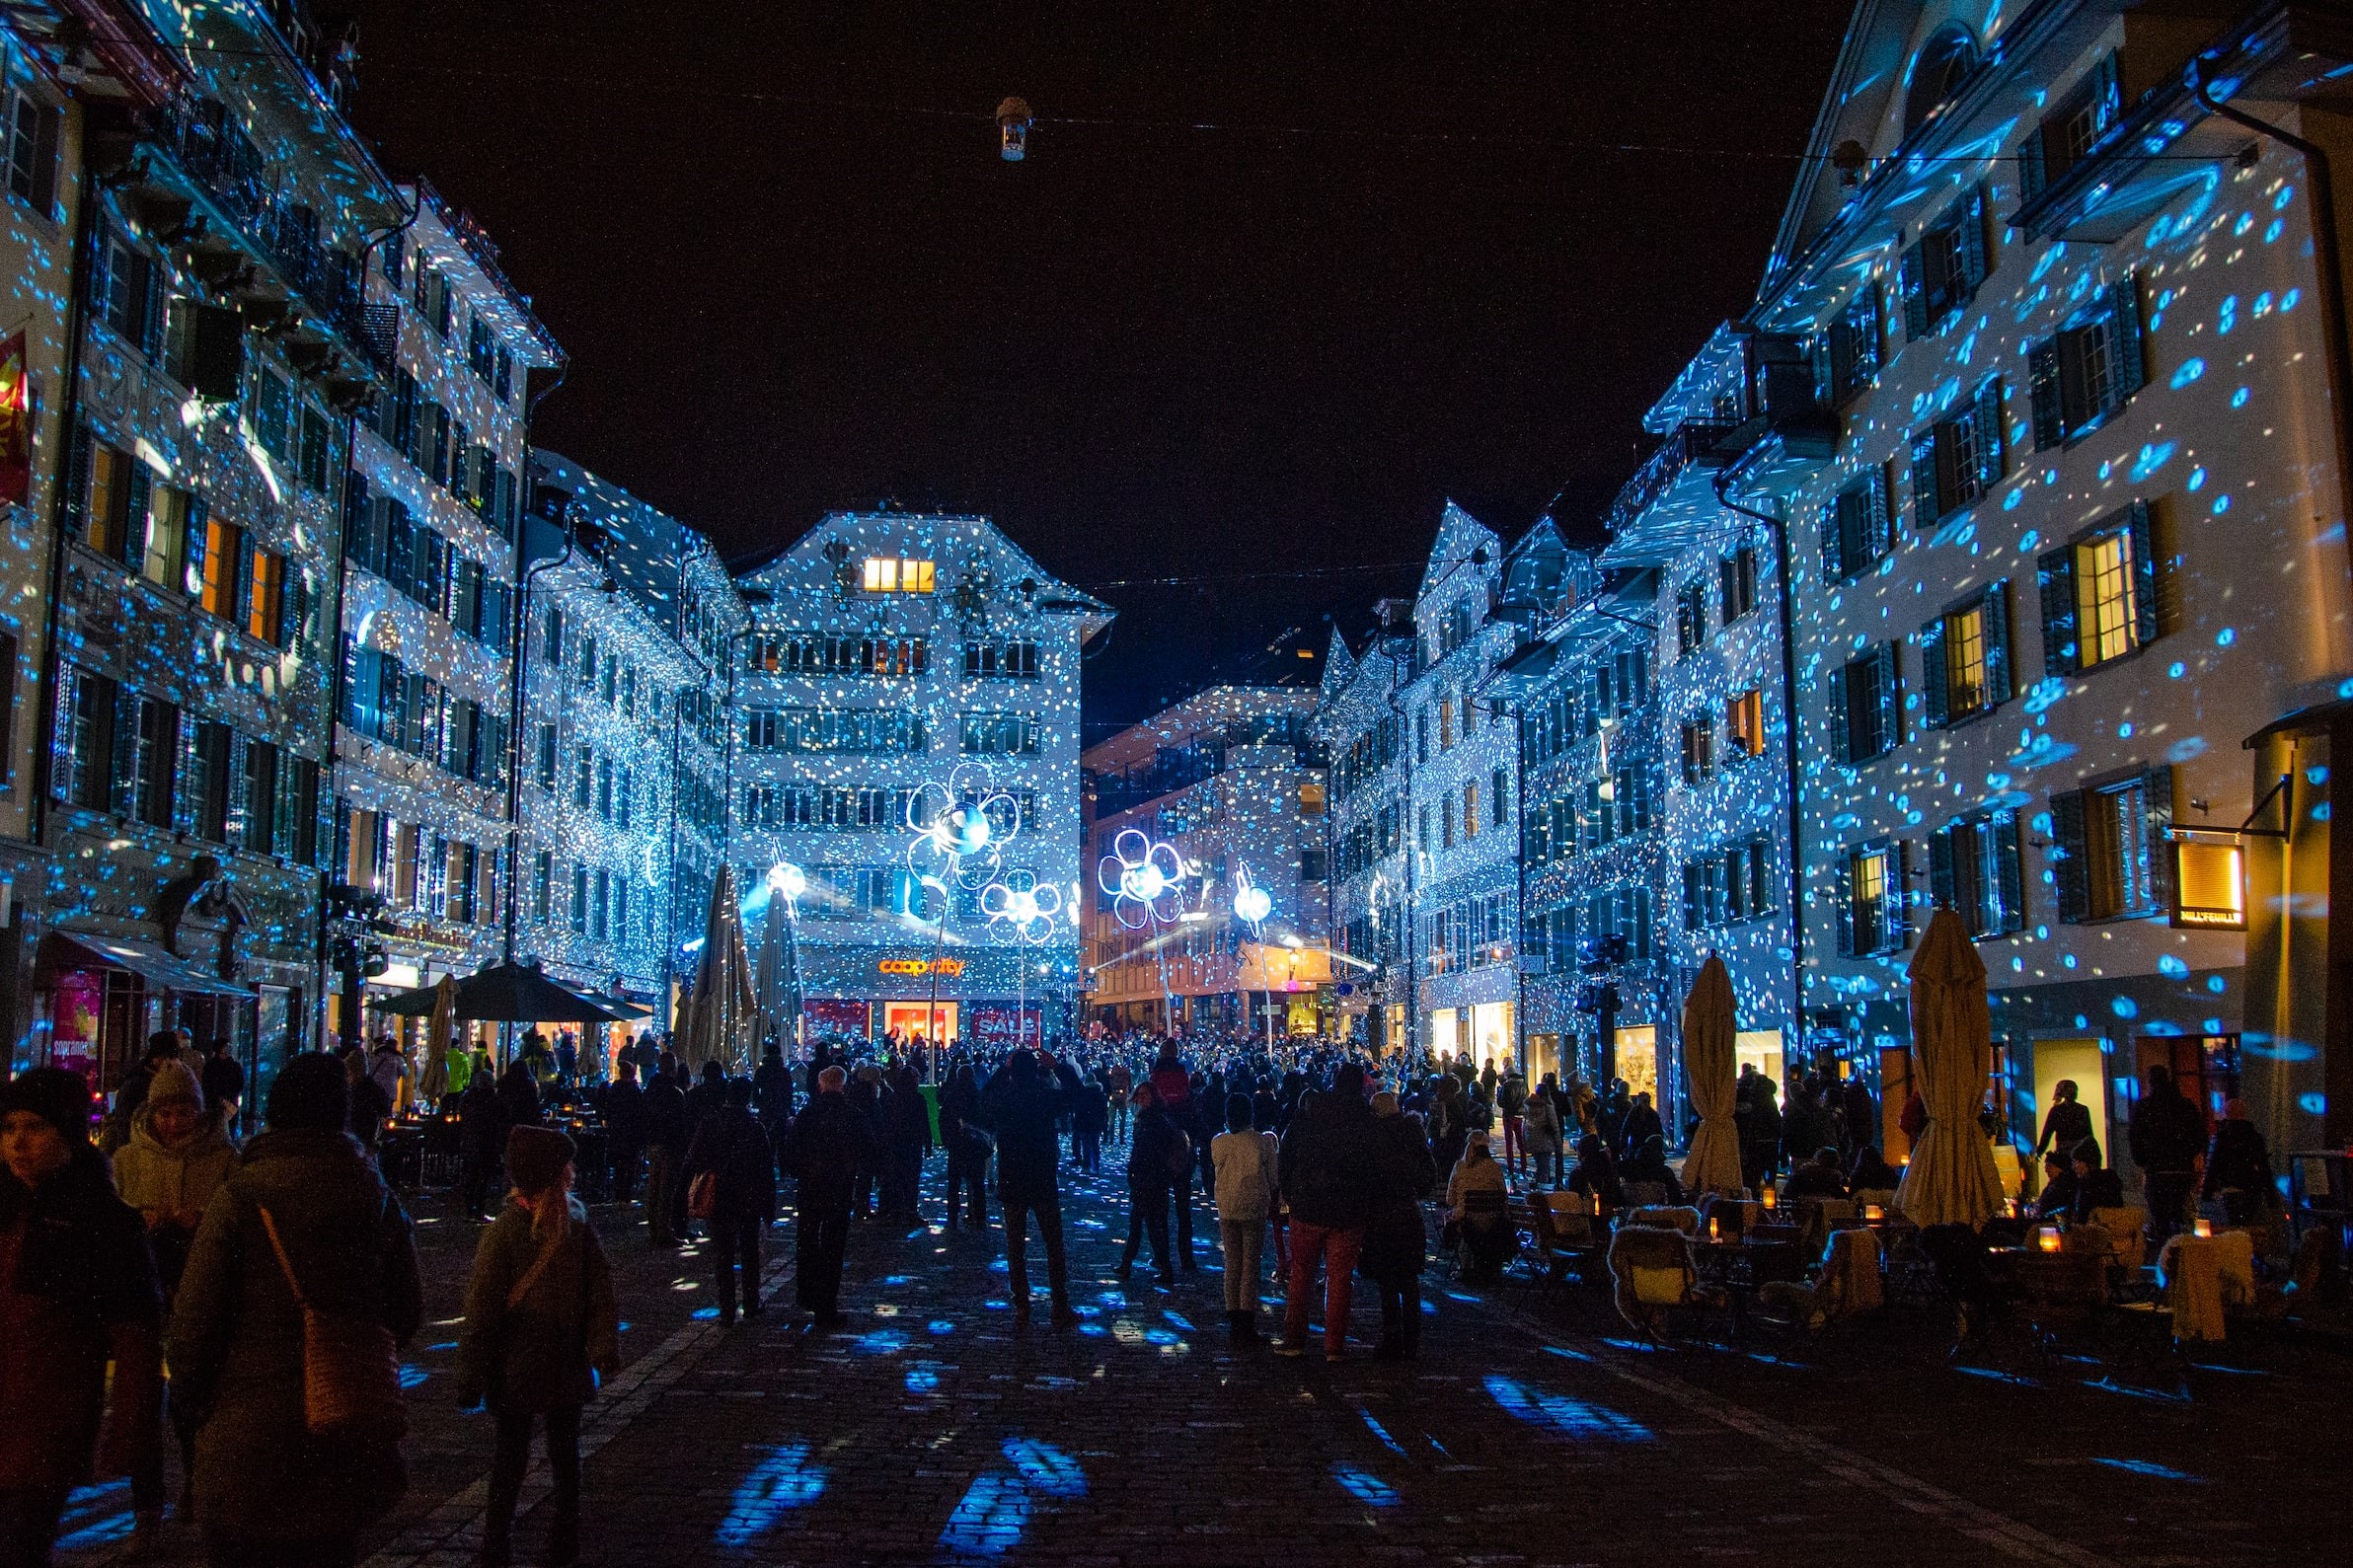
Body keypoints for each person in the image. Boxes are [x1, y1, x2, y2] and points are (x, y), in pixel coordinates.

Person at [168, 1053, 422, 1568]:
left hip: (245, 1436)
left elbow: (192, 1327)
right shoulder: (374, 1196)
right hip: (342, 1427)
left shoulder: (241, 1197)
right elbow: (406, 1310)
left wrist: (191, 1407)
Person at [0, 1069, 162, 1566]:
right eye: (8, 1129)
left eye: (34, 1128)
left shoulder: (102, 1221)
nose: (18, 1144)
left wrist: (130, 1431)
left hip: (43, 1427)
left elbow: (135, 1335)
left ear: (67, 1131)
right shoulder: (6, 1206)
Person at [457, 1125, 619, 1568]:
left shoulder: (546, 1227)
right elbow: (599, 1295)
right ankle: (548, 1541)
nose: (573, 1171)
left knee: (519, 1457)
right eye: (567, 1165)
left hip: (521, 1361)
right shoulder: (552, 1226)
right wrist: (602, 1347)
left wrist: (471, 1376)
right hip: (551, 1358)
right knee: (557, 1455)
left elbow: (482, 1311)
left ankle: (504, 1543)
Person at [112, 1058, 236, 1544]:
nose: (172, 1122)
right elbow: (112, 1223)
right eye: (164, 1113)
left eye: (183, 1112)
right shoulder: (126, 1159)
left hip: (197, 1289)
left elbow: (234, 1222)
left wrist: (201, 1217)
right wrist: (139, 1219)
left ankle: (194, 1482)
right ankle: (147, 1506)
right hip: (141, 1289)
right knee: (143, 1401)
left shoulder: (224, 1158)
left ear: (198, 1112)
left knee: (190, 1396)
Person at [1275, 1063, 1376, 1362]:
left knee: (1302, 1274)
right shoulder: (1363, 1119)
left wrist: (1291, 1192)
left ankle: (1294, 1339)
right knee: (1340, 1278)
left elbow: (1287, 1151)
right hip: (1347, 1209)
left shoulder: (1311, 1112)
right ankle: (1333, 1345)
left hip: (1308, 1204)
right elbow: (1371, 1165)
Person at [979, 1050, 1084, 1328]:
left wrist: (1003, 1069)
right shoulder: (1044, 1096)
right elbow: (1078, 1096)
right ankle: (1059, 1304)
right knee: (1053, 1245)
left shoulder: (1006, 1098)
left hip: (1013, 1178)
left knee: (1015, 1247)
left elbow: (983, 1100)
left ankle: (1022, 1305)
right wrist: (1059, 1067)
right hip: (1042, 1177)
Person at [779, 1067, 875, 1328]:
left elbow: (789, 1152)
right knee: (833, 1247)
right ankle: (826, 1304)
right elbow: (868, 1150)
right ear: (843, 1086)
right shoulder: (852, 1115)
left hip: (811, 1188)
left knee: (808, 1240)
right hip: (839, 1189)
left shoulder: (808, 1114)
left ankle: (808, 1293)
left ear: (821, 1086)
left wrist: (804, 1171)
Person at [684, 1082, 777, 1322]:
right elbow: (766, 1169)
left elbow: (693, 1157)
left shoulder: (710, 1124)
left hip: (719, 1195)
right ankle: (751, 1302)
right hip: (748, 1196)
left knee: (723, 1255)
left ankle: (726, 1308)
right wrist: (768, 1206)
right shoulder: (754, 1127)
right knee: (749, 1253)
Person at [1360, 1090, 1436, 1362]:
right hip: (1407, 1210)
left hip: (1382, 1213)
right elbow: (1428, 1174)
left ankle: (1392, 1337)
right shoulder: (1411, 1133)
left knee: (1388, 1281)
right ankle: (1411, 1340)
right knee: (1408, 1280)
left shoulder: (1372, 1136)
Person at [1210, 1092, 1279, 1343]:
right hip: (1254, 1207)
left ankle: (1232, 1311)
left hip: (1228, 1206)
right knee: (1250, 1263)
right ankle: (1246, 1316)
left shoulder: (1219, 1143)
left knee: (1232, 1261)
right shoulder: (1261, 1142)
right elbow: (1273, 1177)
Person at [2128, 1065, 2206, 1239]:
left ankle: (2165, 1252)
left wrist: (2143, 1160)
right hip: (2181, 1170)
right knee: (2179, 1215)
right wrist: (2187, 1154)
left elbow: (2135, 1137)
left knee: (2160, 1218)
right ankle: (2179, 1248)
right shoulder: (2185, 1105)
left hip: (2157, 1171)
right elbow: (2200, 1135)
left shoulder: (2144, 1108)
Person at [1119, 1083, 1182, 1287]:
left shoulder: (1154, 1121)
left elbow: (1146, 1151)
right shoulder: (1153, 1119)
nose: (1142, 1099)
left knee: (1149, 1225)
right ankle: (1128, 1264)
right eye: (1140, 1095)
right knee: (1138, 1224)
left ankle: (1163, 1268)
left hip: (1151, 1179)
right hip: (1148, 1179)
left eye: (1145, 1095)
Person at [100, 1032, 184, 1155]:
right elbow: (125, 1126)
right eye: (168, 1057)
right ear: (158, 1057)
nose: (171, 1062)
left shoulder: (171, 1080)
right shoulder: (136, 1084)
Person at [2204, 1097, 2276, 1224]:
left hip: (2228, 1189)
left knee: (2231, 1226)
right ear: (2244, 1113)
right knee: (2249, 1225)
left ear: (2226, 1113)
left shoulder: (2221, 1138)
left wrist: (2207, 1194)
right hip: (2252, 1190)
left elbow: (2213, 1166)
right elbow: (2264, 1167)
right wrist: (2271, 1197)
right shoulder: (2255, 1137)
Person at [641, 1060, 688, 1248]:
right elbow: (680, 1123)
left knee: (653, 1187)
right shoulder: (675, 1094)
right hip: (669, 1145)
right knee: (666, 1190)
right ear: (672, 1070)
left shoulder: (649, 1091)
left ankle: (654, 1228)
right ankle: (663, 1231)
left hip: (653, 1143)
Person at [938, 1062, 990, 1232]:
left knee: (954, 1184)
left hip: (957, 1146)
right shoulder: (978, 1095)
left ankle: (953, 1217)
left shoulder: (952, 1096)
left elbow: (943, 1120)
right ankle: (979, 1217)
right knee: (977, 1184)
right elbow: (986, 1119)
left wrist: (948, 1141)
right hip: (975, 1146)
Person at [880, 1062, 932, 1227]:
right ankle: (909, 1210)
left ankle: (896, 1210)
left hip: (896, 1142)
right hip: (912, 1143)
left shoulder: (893, 1097)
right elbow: (924, 1122)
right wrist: (927, 1142)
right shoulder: (917, 1099)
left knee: (896, 1176)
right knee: (911, 1178)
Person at [457, 1072, 509, 1222]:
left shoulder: (468, 1098)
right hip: (487, 1143)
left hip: (470, 1142)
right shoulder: (494, 1100)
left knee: (471, 1176)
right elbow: (503, 1117)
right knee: (483, 1177)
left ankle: (469, 1209)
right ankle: (479, 1209)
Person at [601, 1059, 646, 1206]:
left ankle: (618, 1193)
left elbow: (607, 1110)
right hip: (631, 1134)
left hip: (617, 1132)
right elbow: (640, 1113)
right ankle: (626, 1194)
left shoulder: (615, 1089)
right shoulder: (635, 1091)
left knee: (620, 1165)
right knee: (630, 1164)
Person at [2032, 1079, 2094, 1162]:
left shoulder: (2056, 1111)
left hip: (2064, 1154)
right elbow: (2089, 1134)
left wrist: (2039, 1152)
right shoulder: (2083, 1109)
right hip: (2080, 1154)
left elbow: (2046, 1134)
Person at [2066, 1137, 2124, 1221]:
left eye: (2077, 1162)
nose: (2074, 1167)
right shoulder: (2082, 1183)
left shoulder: (2101, 1183)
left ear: (2088, 1163)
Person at [1563, 1133, 1626, 1211]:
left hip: (1586, 1213)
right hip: (1608, 1214)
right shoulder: (1609, 1170)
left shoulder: (1578, 1173)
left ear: (1582, 1152)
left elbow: (1572, 1199)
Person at [1522, 1074, 1564, 1188]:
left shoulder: (1529, 1107)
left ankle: (1538, 1188)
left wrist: (1524, 1141)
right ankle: (1542, 1191)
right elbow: (1554, 1125)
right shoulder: (1547, 1106)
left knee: (1539, 1165)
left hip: (1532, 1138)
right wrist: (1558, 1144)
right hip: (1545, 1140)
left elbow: (1524, 1125)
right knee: (1544, 1167)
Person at [199, 1042, 246, 1140]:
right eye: (226, 1047)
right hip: (223, 1104)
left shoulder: (212, 1066)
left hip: (222, 1104)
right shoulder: (231, 1066)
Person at [1624, 1132, 1685, 1205]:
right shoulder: (1664, 1172)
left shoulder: (1629, 1169)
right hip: (1658, 1212)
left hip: (1632, 1211)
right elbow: (1676, 1198)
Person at [1071, 1070, 1107, 1175]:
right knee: (1095, 1144)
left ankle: (1086, 1166)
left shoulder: (1081, 1093)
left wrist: (1076, 1122)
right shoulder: (1100, 1094)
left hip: (1084, 1123)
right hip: (1096, 1123)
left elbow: (1078, 1109)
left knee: (1086, 1144)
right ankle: (1095, 1166)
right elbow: (1103, 1110)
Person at [752, 1044, 793, 1138]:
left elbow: (755, 1088)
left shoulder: (761, 1070)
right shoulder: (784, 1071)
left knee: (765, 1134)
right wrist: (787, 1105)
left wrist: (758, 1102)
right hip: (781, 1107)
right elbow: (789, 1090)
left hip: (765, 1106)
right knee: (780, 1136)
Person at [1496, 1069, 1528, 1176]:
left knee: (1509, 1142)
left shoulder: (1507, 1085)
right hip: (1520, 1114)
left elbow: (1501, 1102)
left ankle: (1511, 1167)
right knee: (1521, 1142)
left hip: (1509, 1115)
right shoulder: (1523, 1084)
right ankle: (1524, 1165)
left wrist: (1499, 1090)